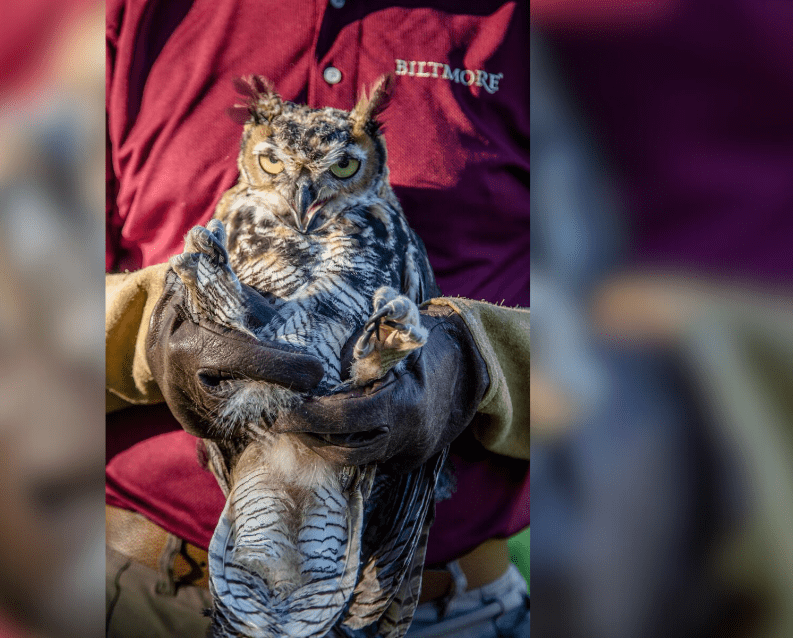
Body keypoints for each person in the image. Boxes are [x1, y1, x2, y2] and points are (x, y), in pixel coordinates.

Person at [105, 1, 530, 636]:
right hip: (157, 592)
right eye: (275, 166)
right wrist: (144, 332)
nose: (303, 193)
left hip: (434, 605)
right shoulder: (132, 15)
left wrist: (477, 363)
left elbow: (629, 335)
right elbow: (15, 310)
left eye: (341, 168)